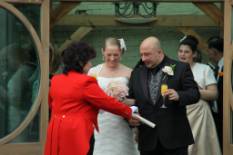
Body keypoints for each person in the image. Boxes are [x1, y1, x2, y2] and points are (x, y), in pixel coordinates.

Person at [44, 42, 137, 155]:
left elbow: (51, 104)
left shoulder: (56, 80)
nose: (91, 64)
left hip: (56, 129)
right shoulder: (85, 82)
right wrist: (129, 111)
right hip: (77, 131)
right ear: (80, 62)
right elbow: (106, 103)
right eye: (88, 61)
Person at [128, 36, 200, 155]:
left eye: (147, 54)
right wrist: (130, 115)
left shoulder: (180, 68)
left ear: (160, 52)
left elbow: (194, 94)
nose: (143, 58)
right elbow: (133, 100)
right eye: (141, 54)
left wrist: (179, 95)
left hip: (175, 139)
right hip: (147, 139)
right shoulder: (136, 73)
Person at [88, 37, 139, 155]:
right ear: (103, 52)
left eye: (115, 55)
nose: (112, 58)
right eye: (109, 54)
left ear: (121, 52)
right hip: (100, 123)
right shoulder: (93, 72)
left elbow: (138, 100)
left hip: (122, 123)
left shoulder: (130, 72)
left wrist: (125, 101)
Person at [178, 35, 221, 155]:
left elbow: (214, 94)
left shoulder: (204, 69)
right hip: (179, 113)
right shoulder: (172, 69)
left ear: (194, 54)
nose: (182, 54)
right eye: (180, 51)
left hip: (200, 115)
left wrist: (195, 91)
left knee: (200, 149)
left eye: (186, 52)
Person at [207, 36, 224, 150]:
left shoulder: (228, 67)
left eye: (209, 51)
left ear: (214, 51)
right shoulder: (218, 67)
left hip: (226, 115)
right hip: (217, 114)